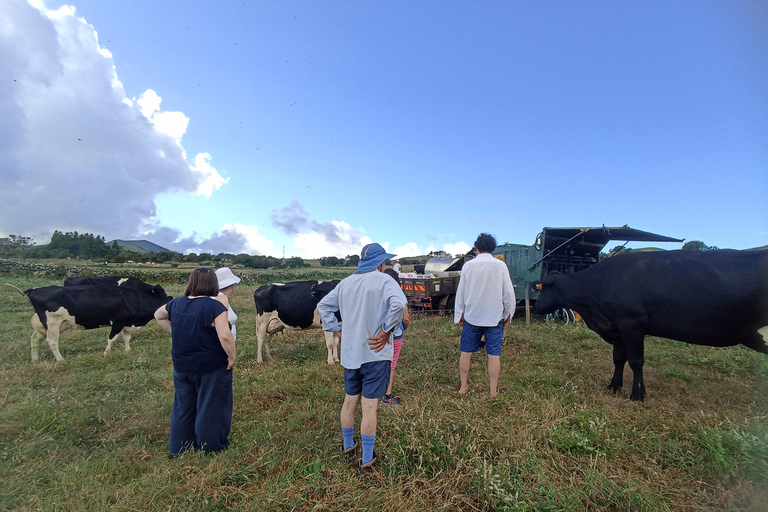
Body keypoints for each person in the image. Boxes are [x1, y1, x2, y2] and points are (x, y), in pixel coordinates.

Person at [318, 243, 406, 471]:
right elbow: (399, 303)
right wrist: (386, 330)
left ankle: (348, 445)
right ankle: (367, 457)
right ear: (381, 263)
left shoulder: (345, 283)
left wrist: (336, 328)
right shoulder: (385, 280)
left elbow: (323, 305)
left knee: (350, 400)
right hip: (375, 353)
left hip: (350, 353)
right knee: (369, 407)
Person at [154, 267, 237, 455]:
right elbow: (225, 336)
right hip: (210, 367)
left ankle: (179, 448)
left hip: (182, 366)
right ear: (213, 284)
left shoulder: (176, 303)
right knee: (210, 406)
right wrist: (231, 356)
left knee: (183, 407)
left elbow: (158, 315)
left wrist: (178, 330)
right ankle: (210, 447)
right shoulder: (215, 306)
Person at [454, 233, 516, 398]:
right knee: (493, 355)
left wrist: (459, 314)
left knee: (466, 352)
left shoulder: (468, 266)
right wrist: (509, 313)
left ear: (477, 248)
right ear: (492, 248)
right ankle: (493, 391)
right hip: (494, 317)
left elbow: (461, 293)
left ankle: (463, 387)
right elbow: (508, 293)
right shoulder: (500, 266)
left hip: (472, 316)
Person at [381, 269, 410, 405]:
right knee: (391, 364)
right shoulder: (398, 295)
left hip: (378, 334)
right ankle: (387, 395)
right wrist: (404, 327)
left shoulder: (377, 294)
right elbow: (406, 318)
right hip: (396, 334)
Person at [214, 267, 241, 340]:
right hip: (222, 347)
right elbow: (224, 335)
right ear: (232, 286)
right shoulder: (220, 299)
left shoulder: (214, 298)